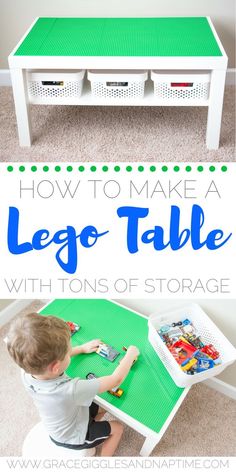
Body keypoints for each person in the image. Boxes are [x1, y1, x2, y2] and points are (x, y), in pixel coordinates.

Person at [6, 312, 139, 456]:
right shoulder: (71, 389)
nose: (70, 350)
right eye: (68, 350)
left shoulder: (26, 372)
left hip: (61, 422)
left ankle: (90, 423)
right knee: (118, 428)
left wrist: (81, 349)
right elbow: (116, 379)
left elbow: (52, 360)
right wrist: (130, 354)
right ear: (55, 367)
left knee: (99, 407)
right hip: (73, 437)